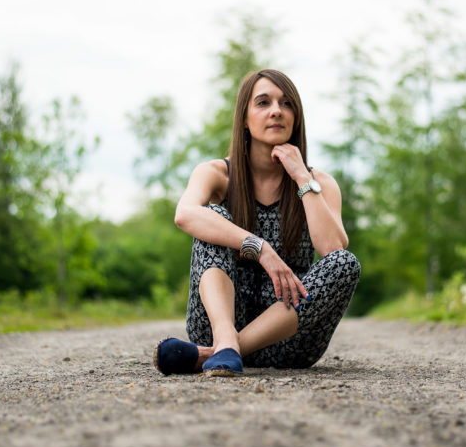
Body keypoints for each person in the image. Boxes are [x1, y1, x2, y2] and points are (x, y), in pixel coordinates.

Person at [154, 68, 361, 377]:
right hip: (214, 323)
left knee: (346, 263)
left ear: (296, 117)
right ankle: (223, 341)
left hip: (290, 340)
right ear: (245, 118)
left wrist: (302, 177)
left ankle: (220, 352)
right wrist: (260, 247)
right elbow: (185, 214)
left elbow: (332, 249)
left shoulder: (320, 184)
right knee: (213, 216)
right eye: (263, 102)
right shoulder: (216, 174)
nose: (277, 110)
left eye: (286, 103)